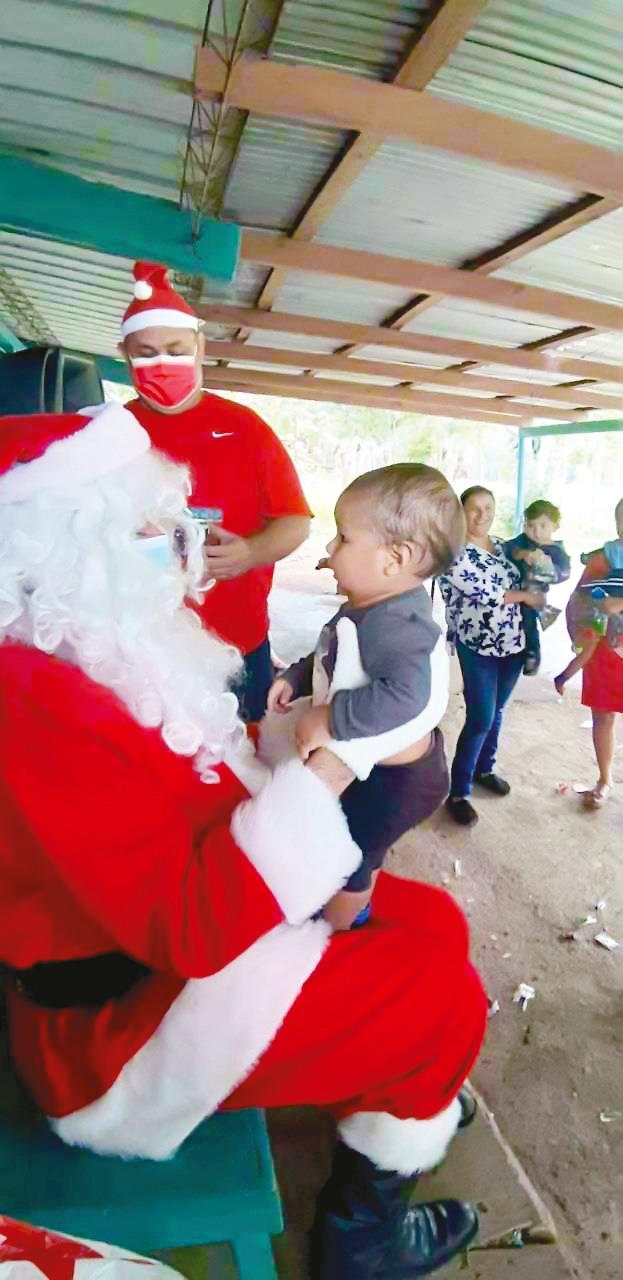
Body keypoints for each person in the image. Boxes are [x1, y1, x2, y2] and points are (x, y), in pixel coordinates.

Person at [0, 406, 489, 1279]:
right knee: (435, 995)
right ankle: (359, 1241)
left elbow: (199, 792)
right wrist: (327, 770)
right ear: (70, 545)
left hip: (185, 939)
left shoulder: (89, 646)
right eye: (150, 525)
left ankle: (411, 1091)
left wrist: (288, 746)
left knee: (434, 922)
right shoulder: (31, 699)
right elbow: (185, 928)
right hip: (116, 1032)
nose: (179, 542)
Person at [267, 464, 464, 930]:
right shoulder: (368, 604)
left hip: (398, 782)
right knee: (338, 836)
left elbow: (406, 697)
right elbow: (333, 655)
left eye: (343, 538)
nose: (330, 549)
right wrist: (297, 677)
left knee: (351, 849)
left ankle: (342, 927)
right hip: (378, 768)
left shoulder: (401, 626)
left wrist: (332, 718)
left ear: (395, 559)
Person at [120, 260, 311, 721]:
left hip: (238, 644)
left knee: (243, 761)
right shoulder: (114, 432)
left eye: (174, 349)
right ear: (124, 355)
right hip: (141, 643)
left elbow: (296, 522)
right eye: (145, 353)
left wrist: (250, 552)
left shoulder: (245, 429)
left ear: (200, 347)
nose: (161, 363)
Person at [439, 486, 544, 828]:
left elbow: (529, 570)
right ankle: (459, 792)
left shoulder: (502, 545)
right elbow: (492, 593)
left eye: (488, 507)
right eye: (474, 509)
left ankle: (485, 768)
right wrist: (528, 597)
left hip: (513, 643)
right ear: (461, 512)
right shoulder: (453, 553)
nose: (482, 515)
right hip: (478, 646)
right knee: (481, 716)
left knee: (497, 710)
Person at [560, 499, 623, 807]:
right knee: (603, 716)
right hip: (604, 648)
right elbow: (586, 593)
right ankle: (604, 778)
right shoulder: (602, 558)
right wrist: (604, 599)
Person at [505, 499, 571, 675]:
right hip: (512, 589)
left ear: (555, 526)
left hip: (534, 593)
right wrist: (521, 554)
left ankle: (532, 654)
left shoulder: (557, 550)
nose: (536, 531)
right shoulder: (523, 541)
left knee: (529, 623)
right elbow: (507, 548)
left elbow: (563, 573)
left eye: (543, 526)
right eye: (530, 525)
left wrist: (543, 562)